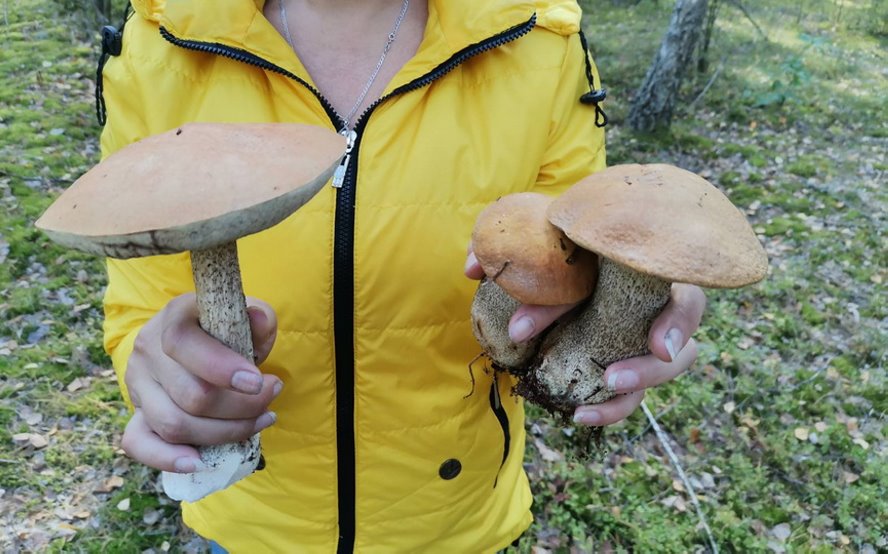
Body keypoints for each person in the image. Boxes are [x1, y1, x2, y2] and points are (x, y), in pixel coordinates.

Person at [99, 0, 706, 551]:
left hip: (456, 519)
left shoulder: (539, 40)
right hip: (252, 521)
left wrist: (635, 295)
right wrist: (155, 376)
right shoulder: (162, 40)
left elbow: (573, 252)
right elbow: (139, 305)